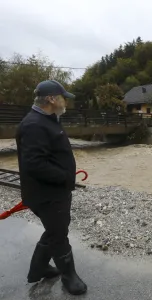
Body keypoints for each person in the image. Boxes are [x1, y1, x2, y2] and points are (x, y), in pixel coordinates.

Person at [16, 80, 87, 295]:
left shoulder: (46, 119)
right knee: (59, 235)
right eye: (63, 97)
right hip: (47, 194)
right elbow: (34, 164)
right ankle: (69, 277)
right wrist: (65, 177)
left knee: (56, 228)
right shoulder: (34, 125)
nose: (65, 101)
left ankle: (38, 269)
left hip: (54, 191)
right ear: (51, 99)